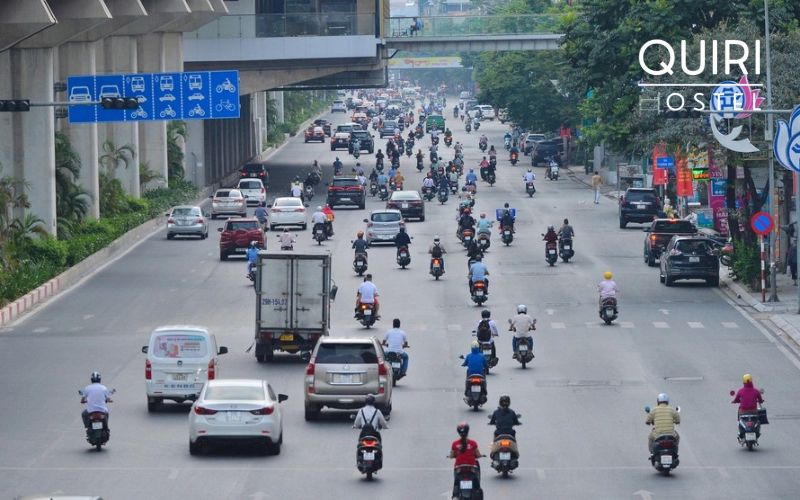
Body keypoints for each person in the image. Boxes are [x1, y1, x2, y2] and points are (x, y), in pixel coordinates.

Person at [449, 422, 483, 498]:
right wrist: (480, 456)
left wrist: (452, 456)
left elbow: (452, 455)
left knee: (456, 483)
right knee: (477, 485)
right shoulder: (473, 443)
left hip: (459, 468)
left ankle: (455, 496)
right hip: (471, 468)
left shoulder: (455, 444)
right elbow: (477, 455)